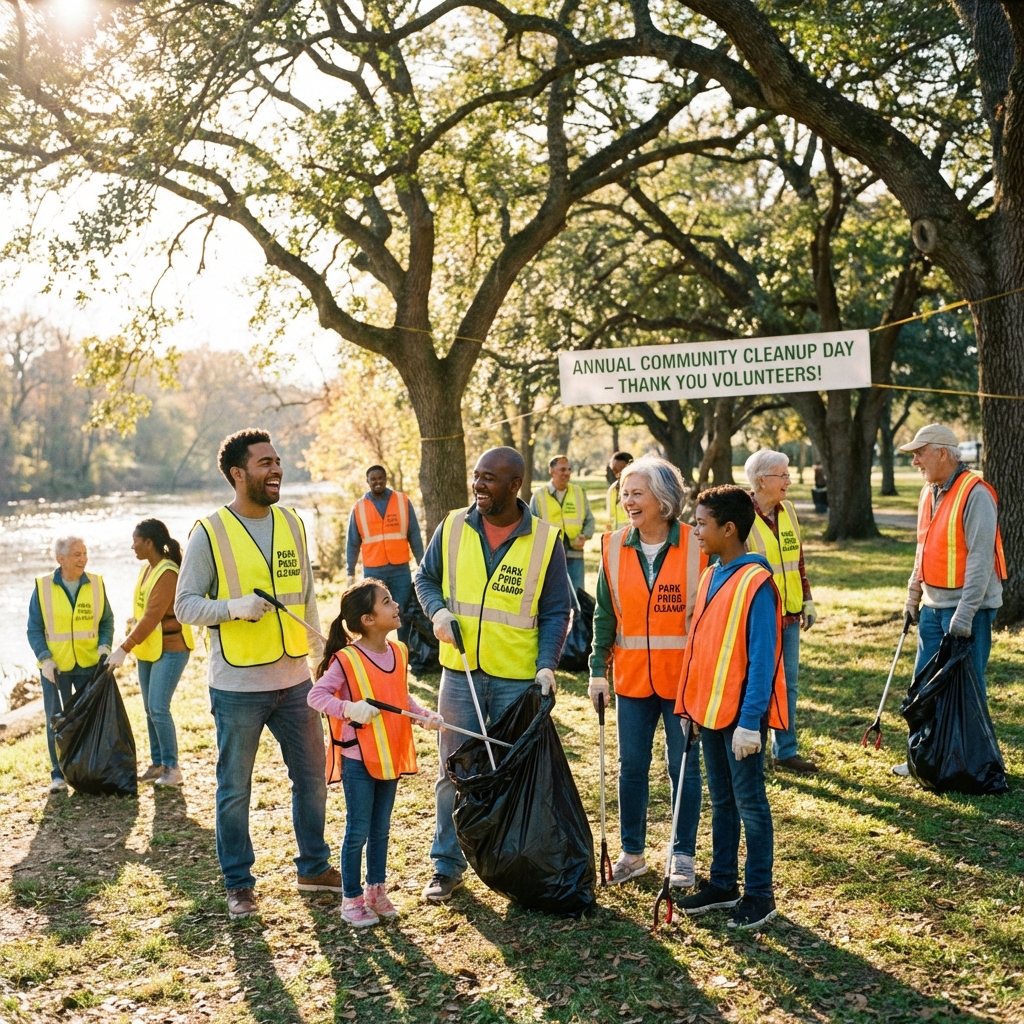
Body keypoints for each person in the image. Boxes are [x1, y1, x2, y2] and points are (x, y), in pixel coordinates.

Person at [175, 428, 339, 920]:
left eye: (278, 461)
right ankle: (238, 885)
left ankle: (313, 868)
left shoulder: (292, 522)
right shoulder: (208, 532)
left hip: (295, 682)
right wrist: (232, 608)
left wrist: (320, 658)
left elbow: (305, 597)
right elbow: (185, 605)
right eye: (265, 463)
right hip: (237, 686)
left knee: (312, 779)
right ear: (237, 474)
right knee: (234, 789)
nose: (276, 470)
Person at [415, 446, 573, 902]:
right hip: (460, 674)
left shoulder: (545, 539)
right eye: (476, 477)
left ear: (514, 485)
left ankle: (509, 863)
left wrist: (546, 666)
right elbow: (425, 578)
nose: (478, 486)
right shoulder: (450, 526)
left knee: (509, 773)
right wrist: (438, 612)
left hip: (515, 678)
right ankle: (446, 865)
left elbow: (556, 609)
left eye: (489, 479)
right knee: (452, 771)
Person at [587, 456, 708, 887]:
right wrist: (597, 671)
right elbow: (605, 613)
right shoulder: (612, 545)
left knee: (684, 767)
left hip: (684, 681)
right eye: (624, 493)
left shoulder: (699, 544)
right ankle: (632, 853)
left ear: (663, 498)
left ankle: (682, 855)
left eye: (637, 493)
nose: (628, 501)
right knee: (631, 766)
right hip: (633, 678)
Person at [675, 485, 788, 931]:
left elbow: (763, 658)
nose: (695, 530)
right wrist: (689, 706)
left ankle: (760, 894)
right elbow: (701, 649)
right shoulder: (710, 574)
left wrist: (750, 723)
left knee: (750, 804)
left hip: (741, 719)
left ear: (729, 528)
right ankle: (723, 883)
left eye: (702, 523)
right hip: (708, 712)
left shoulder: (756, 583)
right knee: (721, 801)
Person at [308, 580, 443, 927]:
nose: (396, 605)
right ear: (368, 619)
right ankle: (351, 899)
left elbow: (400, 699)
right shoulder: (346, 659)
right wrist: (349, 709)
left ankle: (375, 891)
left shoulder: (398, 652)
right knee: (358, 830)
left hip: (389, 752)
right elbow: (316, 696)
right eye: (387, 602)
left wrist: (424, 716)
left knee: (381, 829)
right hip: (358, 757)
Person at [895, 424, 1006, 776]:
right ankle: (925, 756)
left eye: (919, 452)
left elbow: (980, 559)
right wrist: (914, 594)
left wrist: (965, 614)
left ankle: (970, 762)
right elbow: (922, 548)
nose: (915, 461)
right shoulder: (928, 492)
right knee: (924, 690)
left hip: (966, 610)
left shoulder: (976, 493)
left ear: (943, 453)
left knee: (968, 687)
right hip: (932, 607)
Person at [744, 449, 818, 774]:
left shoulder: (787, 510)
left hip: (789, 613)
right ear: (762, 480)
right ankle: (754, 754)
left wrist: (808, 598)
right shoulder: (742, 515)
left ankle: (785, 751)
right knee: (757, 682)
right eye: (783, 475)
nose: (789, 480)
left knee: (789, 684)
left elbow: (797, 559)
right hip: (758, 619)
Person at [106, 519, 194, 788]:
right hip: (149, 649)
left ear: (149, 542)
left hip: (171, 649)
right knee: (149, 708)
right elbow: (142, 613)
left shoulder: (167, 573)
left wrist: (124, 647)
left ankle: (172, 768)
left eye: (136, 541)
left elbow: (153, 616)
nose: (132, 546)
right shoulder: (147, 570)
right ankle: (157, 764)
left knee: (158, 707)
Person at [27, 536, 114, 793]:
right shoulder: (42, 587)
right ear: (60, 559)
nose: (83, 559)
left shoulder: (96, 583)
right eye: (77, 554)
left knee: (89, 719)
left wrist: (105, 645)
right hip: (56, 668)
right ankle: (58, 774)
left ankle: (86, 769)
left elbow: (107, 620)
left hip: (89, 665)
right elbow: (34, 628)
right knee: (56, 719)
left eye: (85, 553)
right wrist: (45, 658)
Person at [345, 466, 425, 645]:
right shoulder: (358, 508)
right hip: (373, 571)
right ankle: (377, 649)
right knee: (374, 614)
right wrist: (350, 573)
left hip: (400, 569)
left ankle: (404, 650)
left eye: (380, 478)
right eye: (373, 479)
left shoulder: (402, 501)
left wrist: (422, 565)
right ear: (367, 481)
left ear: (386, 478)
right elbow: (352, 543)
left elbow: (414, 535)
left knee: (401, 611)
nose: (377, 482)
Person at [530, 455, 595, 592]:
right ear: (551, 471)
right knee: (552, 595)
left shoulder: (579, 492)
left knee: (577, 596)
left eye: (569, 469)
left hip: (575, 555)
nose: (567, 473)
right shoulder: (539, 496)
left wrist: (585, 535)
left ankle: (577, 615)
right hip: (550, 556)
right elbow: (532, 526)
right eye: (563, 469)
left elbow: (590, 520)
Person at [604, 451, 634, 532]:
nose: (618, 474)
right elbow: (610, 518)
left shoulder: (640, 488)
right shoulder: (612, 489)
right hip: (616, 538)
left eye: (621, 470)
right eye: (614, 470)